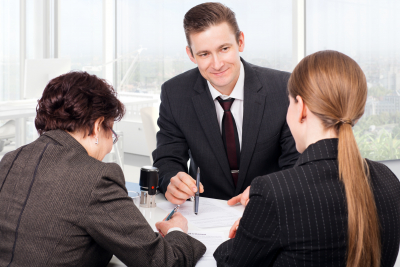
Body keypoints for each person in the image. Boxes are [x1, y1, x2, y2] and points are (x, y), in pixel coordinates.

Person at [213, 50, 400, 266]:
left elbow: (232, 262)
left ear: (301, 108)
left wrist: (250, 232)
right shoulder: (389, 181)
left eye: (290, 103)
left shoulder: (273, 193)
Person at [0, 71, 205, 267]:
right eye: (111, 132)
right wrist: (177, 230)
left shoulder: (11, 159)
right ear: (98, 126)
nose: (110, 145)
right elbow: (165, 262)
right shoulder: (95, 177)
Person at [152, 2, 299, 203]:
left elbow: (296, 163)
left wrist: (268, 191)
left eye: (224, 49)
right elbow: (167, 158)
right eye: (204, 54)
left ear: (240, 42)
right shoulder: (175, 93)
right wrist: (171, 181)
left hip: (268, 209)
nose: (217, 64)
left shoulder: (282, 88)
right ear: (191, 55)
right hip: (204, 214)